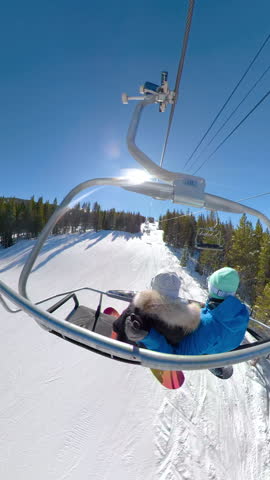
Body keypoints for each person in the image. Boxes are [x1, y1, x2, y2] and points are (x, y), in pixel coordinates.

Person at [113, 267, 250, 358]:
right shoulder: (242, 312)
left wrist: (148, 337)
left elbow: (178, 355)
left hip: (203, 351)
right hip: (224, 345)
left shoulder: (206, 325)